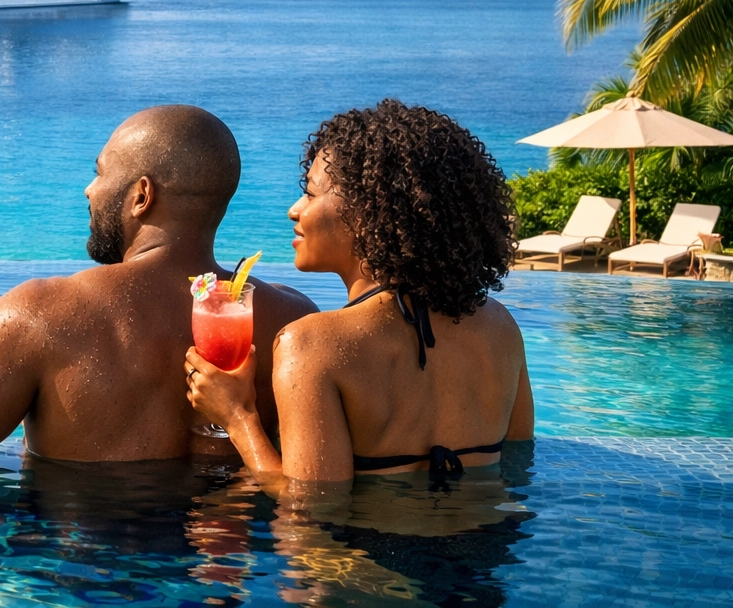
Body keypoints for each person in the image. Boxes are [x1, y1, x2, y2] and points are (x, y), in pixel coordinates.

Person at [0, 104, 318, 472]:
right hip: (228, 575)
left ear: (141, 196)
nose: (88, 191)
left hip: (82, 575)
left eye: (99, 173)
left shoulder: (41, 313)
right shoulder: (295, 322)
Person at [185, 99, 535, 484]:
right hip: (486, 540)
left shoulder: (310, 345)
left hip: (367, 544)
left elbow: (309, 502)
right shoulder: (501, 327)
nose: (294, 210)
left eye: (311, 194)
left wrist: (237, 416)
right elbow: (518, 466)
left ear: (366, 213)